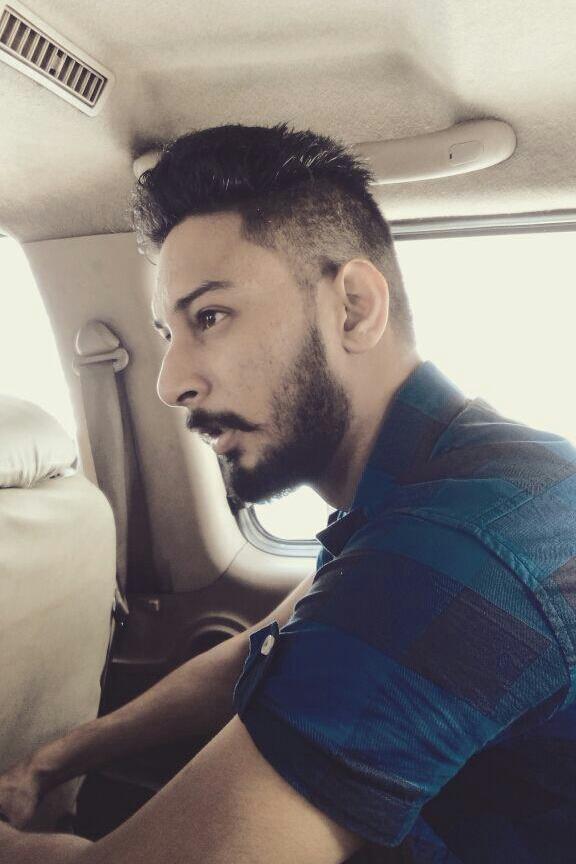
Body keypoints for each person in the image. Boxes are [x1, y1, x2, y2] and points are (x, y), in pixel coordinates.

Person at [1, 122, 575, 864]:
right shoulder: (443, 476)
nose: (171, 384)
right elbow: (258, 647)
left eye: (210, 317)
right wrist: (51, 760)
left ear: (354, 308)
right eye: (169, 333)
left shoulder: (450, 549)